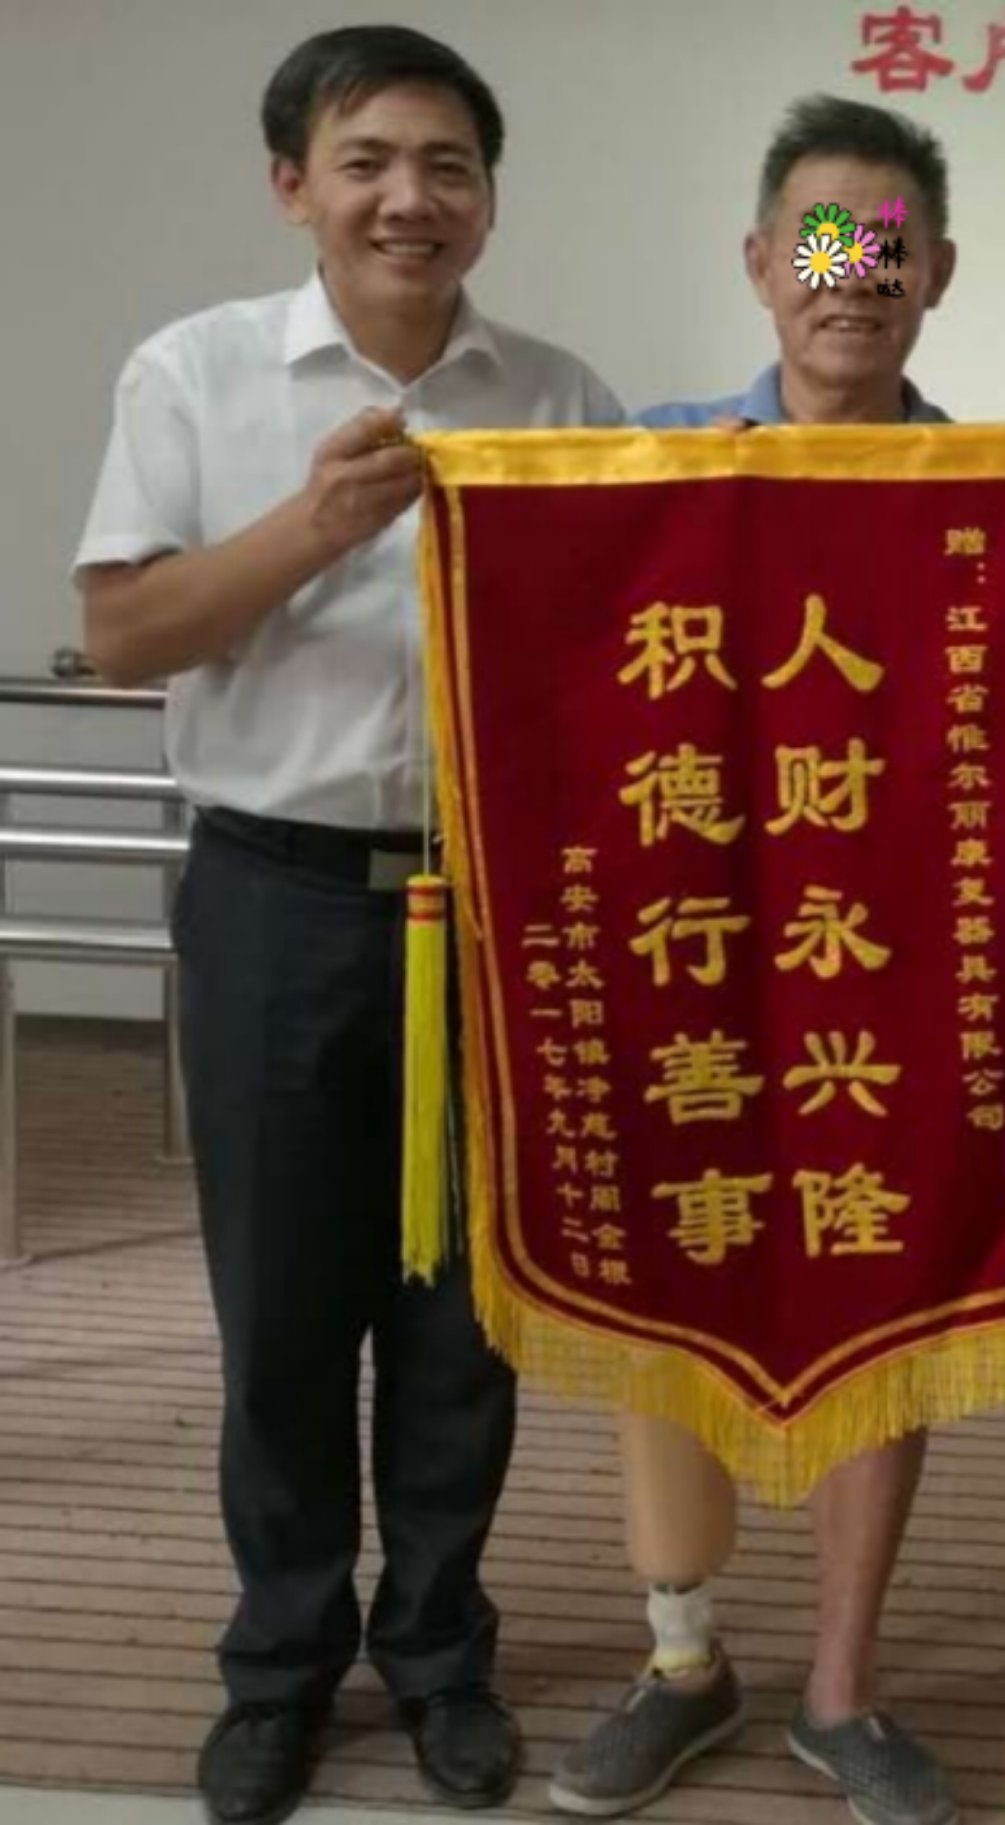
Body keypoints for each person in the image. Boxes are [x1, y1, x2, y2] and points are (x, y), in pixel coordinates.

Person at [73, 26, 621, 1825]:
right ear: (293, 183)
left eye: (449, 163)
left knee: (468, 1323)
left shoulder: (557, 398)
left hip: (493, 916)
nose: (410, 197)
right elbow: (128, 636)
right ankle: (280, 1663)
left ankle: (443, 1652)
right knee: (284, 1317)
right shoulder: (197, 370)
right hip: (275, 900)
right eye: (369, 159)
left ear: (488, 198)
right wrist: (313, 524)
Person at [549, 94, 960, 1825]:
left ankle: (841, 1690)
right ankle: (681, 1659)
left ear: (938, 271)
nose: (849, 275)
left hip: (899, 972)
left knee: (892, 1292)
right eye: (820, 240)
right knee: (671, 1268)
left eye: (883, 244)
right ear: (760, 262)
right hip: (690, 961)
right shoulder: (646, 463)